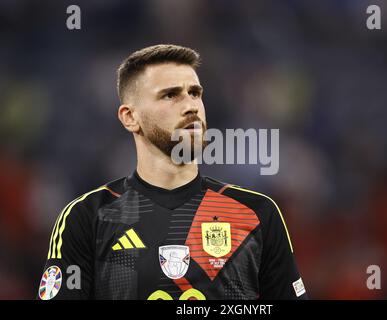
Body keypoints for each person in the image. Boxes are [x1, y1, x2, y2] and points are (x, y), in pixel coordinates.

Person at [37, 44, 307, 300]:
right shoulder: (87, 217)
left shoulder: (256, 213)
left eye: (195, 93)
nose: (191, 106)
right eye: (170, 95)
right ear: (130, 117)